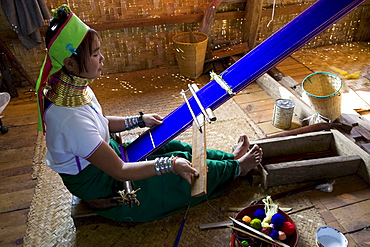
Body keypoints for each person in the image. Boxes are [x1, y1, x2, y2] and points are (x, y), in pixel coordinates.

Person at [36, 5, 263, 222]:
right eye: (95, 54)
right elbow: (121, 170)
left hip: (109, 160)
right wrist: (170, 165)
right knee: (177, 173)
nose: (102, 58)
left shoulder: (75, 90)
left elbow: (100, 123)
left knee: (175, 148)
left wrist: (139, 120)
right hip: (108, 185)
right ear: (70, 64)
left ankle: (228, 160)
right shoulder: (69, 120)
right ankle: (237, 169)